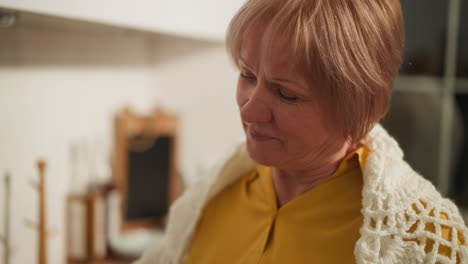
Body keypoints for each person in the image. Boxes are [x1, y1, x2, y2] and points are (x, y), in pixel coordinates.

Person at [136, 0, 468, 263]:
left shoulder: (421, 236)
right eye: (247, 75)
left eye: (286, 93)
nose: (249, 110)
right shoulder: (215, 192)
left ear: (359, 103)